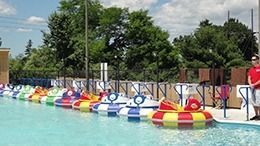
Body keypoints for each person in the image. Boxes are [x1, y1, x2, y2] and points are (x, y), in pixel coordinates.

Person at [248, 55, 260, 120]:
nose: (252, 61)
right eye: (252, 60)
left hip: (258, 89)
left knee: (259, 102)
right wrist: (250, 84)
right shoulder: (251, 69)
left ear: (258, 60)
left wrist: (254, 84)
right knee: (254, 102)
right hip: (252, 88)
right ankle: (256, 115)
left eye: (254, 59)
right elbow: (249, 78)